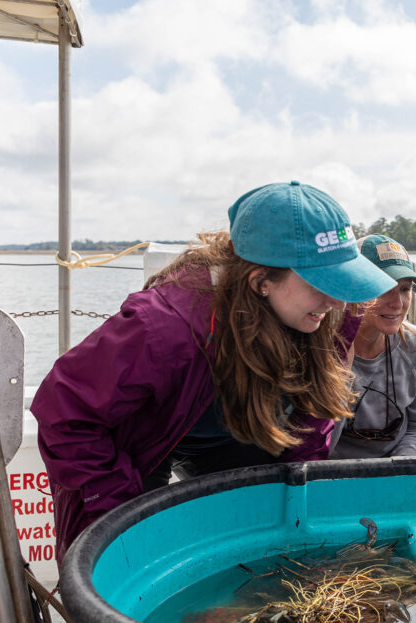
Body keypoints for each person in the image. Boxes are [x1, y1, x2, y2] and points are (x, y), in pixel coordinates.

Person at [31, 181, 396, 563]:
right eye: (322, 283)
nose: (337, 298)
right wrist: (120, 514)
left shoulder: (330, 310)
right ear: (261, 282)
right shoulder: (163, 329)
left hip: (255, 434)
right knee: (133, 560)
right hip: (150, 447)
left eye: (343, 280)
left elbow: (313, 414)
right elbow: (65, 413)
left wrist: (294, 502)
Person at [331, 234, 416, 458]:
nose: (397, 303)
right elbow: (318, 441)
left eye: (405, 289)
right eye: (384, 287)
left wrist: (400, 467)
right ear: (354, 288)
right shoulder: (325, 348)